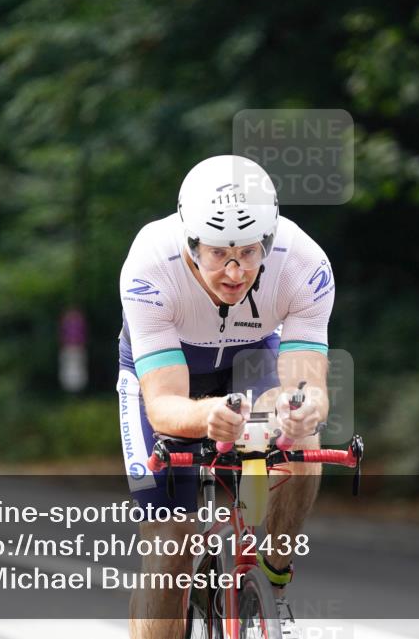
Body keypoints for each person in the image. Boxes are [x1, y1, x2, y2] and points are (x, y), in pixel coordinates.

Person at [117, 154, 335, 638]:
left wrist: (304, 408)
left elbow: (306, 383)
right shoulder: (151, 262)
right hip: (167, 371)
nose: (235, 271)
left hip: (249, 359)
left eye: (250, 252)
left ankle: (271, 585)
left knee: (300, 449)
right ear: (191, 243)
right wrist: (208, 417)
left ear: (270, 240)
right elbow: (165, 405)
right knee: (171, 543)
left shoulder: (303, 263)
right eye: (218, 253)